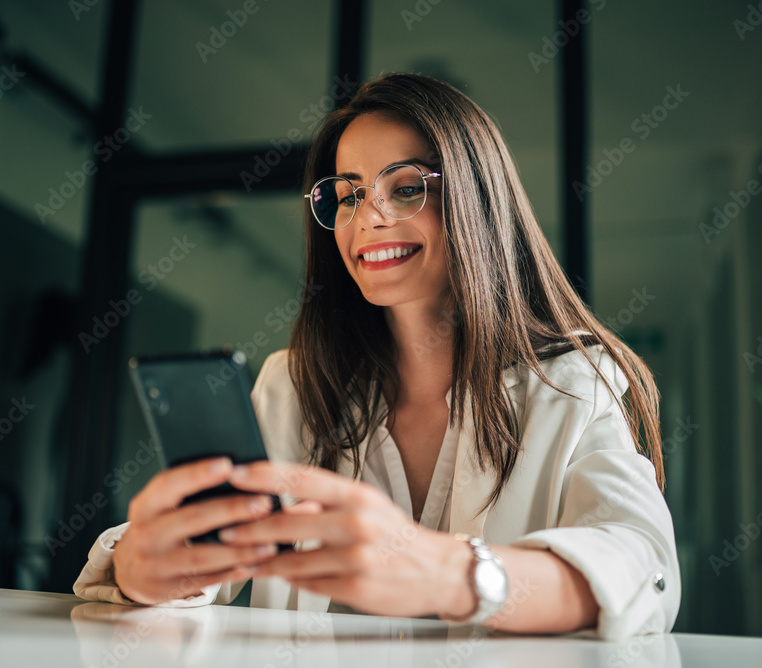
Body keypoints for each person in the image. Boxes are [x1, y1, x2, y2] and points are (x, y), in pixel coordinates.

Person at [74, 73, 680, 640]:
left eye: (407, 187)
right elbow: (219, 554)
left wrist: (447, 573)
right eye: (347, 195)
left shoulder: (573, 384)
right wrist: (141, 566)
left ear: (478, 203)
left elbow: (645, 572)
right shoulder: (292, 384)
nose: (368, 218)